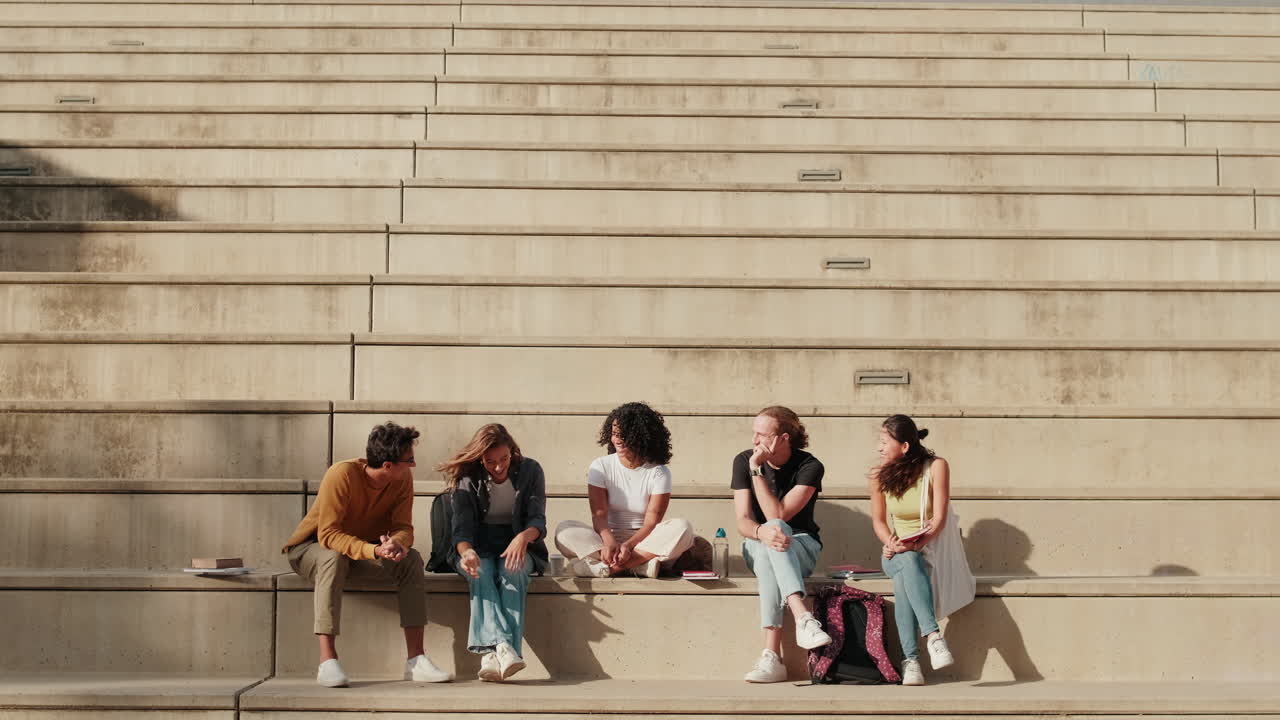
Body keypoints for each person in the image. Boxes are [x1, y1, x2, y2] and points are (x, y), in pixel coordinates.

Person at [281, 421, 451, 688]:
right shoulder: (342, 475)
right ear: (387, 465)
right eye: (409, 460)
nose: (413, 466)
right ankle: (328, 661)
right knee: (332, 558)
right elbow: (328, 535)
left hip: (360, 551)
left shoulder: (402, 479)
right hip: (310, 549)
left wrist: (397, 543)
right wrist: (372, 550)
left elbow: (404, 527)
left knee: (412, 559)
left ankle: (416, 660)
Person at [436, 423, 548, 682]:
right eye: (490, 462)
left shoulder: (531, 470)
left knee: (514, 570)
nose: (499, 467)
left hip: (518, 544)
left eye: (504, 459)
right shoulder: (467, 476)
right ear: (480, 458)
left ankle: (490, 653)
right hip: (476, 546)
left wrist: (523, 537)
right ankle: (504, 649)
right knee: (480, 572)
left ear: (512, 451)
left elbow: (538, 519)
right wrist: (467, 553)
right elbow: (460, 531)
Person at [732, 405, 833, 683]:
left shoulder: (810, 466)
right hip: (756, 543)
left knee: (775, 531)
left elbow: (776, 515)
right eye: (754, 433)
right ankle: (803, 617)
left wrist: (757, 471)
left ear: (784, 438)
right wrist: (761, 532)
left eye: (762, 434)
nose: (754, 441)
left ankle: (771, 656)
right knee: (769, 543)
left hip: (802, 546)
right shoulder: (742, 460)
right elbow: (742, 521)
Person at [554, 402, 694, 578]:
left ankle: (607, 569)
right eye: (614, 434)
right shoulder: (601, 466)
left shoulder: (659, 472)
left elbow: (651, 523)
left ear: (641, 436)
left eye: (625, 435)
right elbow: (599, 516)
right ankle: (639, 567)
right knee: (564, 530)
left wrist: (628, 546)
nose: (618, 440)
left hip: (644, 541)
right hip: (606, 540)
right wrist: (609, 542)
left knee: (683, 528)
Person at [869, 414, 957, 686]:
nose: (879, 448)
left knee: (903, 579)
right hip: (894, 554)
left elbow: (939, 519)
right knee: (906, 561)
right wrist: (891, 543)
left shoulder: (937, 467)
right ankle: (933, 636)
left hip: (926, 550)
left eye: (885, 442)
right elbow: (879, 521)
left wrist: (917, 543)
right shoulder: (877, 475)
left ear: (904, 446)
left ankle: (911, 661)